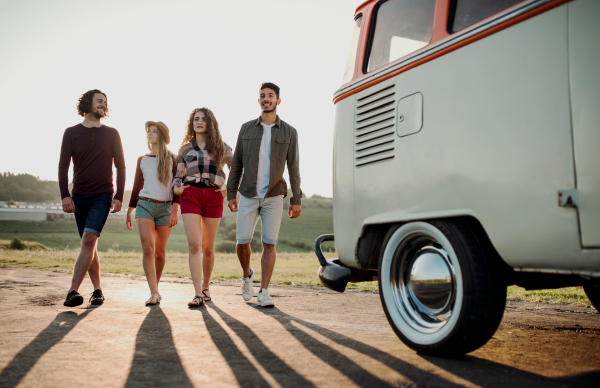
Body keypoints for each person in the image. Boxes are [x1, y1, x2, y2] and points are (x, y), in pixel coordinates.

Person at [226, 82, 302, 308]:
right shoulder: (246, 128)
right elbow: (237, 163)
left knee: (269, 243)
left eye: (270, 96)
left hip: (274, 195)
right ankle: (247, 275)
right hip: (248, 193)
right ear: (258, 100)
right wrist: (231, 193)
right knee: (242, 242)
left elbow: (294, 168)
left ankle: (264, 291)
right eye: (262, 95)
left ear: (278, 101)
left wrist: (296, 200)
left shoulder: (290, 132)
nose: (266, 99)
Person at [59, 89, 125, 307]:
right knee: (90, 243)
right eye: (99, 101)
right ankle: (97, 291)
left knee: (88, 240)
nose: (103, 105)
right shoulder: (71, 133)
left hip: (102, 195)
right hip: (78, 196)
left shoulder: (112, 133)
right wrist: (65, 195)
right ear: (88, 103)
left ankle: (72, 291)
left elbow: (121, 166)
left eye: (105, 103)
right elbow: (63, 166)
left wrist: (119, 195)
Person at [173, 107, 233, 307]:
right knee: (194, 244)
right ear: (192, 123)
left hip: (213, 196)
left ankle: (206, 286)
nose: (199, 122)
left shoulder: (221, 147)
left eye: (203, 119)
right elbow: (178, 174)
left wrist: (228, 189)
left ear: (210, 123)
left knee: (208, 246)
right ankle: (197, 293)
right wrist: (176, 187)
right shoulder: (184, 149)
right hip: (190, 195)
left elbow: (237, 167)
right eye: (196, 119)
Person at [126, 121, 180, 305]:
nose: (149, 133)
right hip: (145, 206)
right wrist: (129, 210)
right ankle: (153, 292)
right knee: (148, 248)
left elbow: (176, 187)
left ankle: (155, 289)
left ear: (162, 135)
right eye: (148, 131)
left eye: (154, 131)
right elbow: (136, 187)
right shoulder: (142, 159)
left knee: (160, 253)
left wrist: (175, 211)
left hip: (165, 209)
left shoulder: (173, 159)